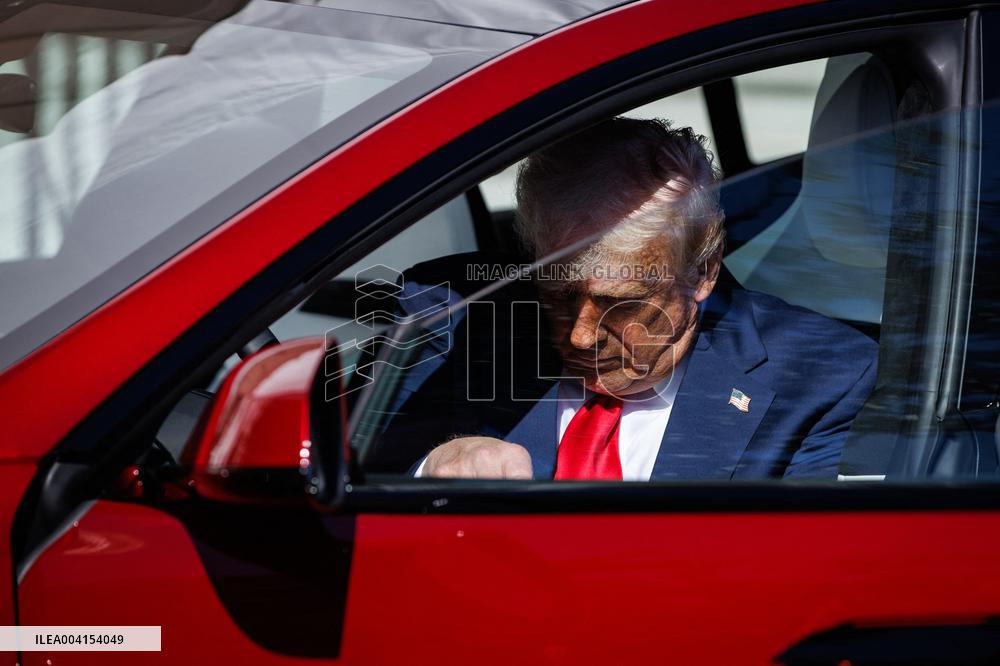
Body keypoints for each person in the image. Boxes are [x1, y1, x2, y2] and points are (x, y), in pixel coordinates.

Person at [407, 117, 878, 480]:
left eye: (623, 303)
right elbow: (375, 469)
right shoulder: (451, 316)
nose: (581, 335)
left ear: (702, 273)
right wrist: (433, 465)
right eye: (559, 293)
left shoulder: (822, 375)